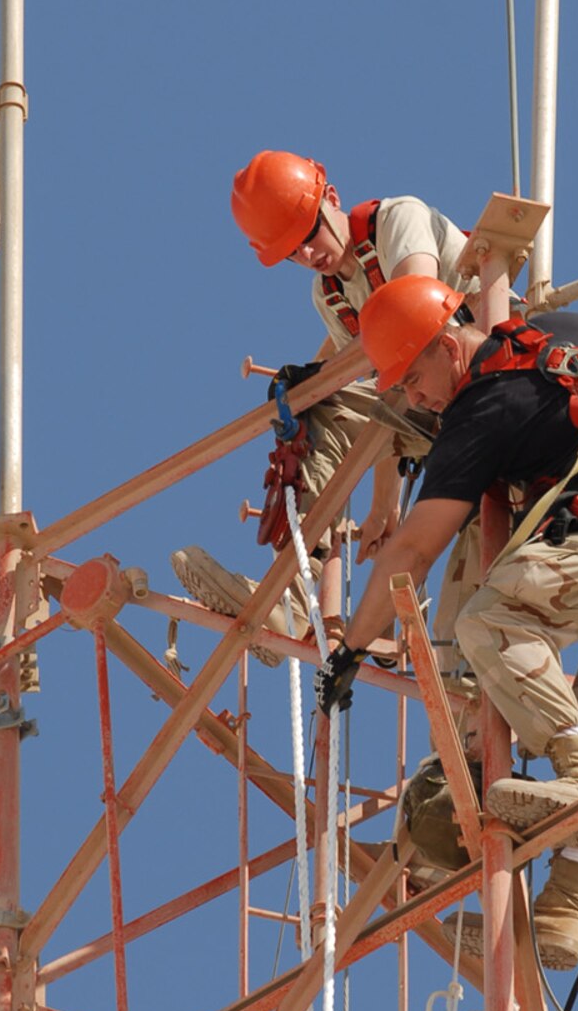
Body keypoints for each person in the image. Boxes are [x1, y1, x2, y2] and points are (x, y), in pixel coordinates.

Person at [314, 276, 578, 969]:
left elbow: (412, 551)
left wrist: (349, 653)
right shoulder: (575, 329)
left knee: (491, 621)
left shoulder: (482, 406)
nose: (415, 398)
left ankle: (571, 773)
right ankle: (560, 916)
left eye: (415, 377)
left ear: (449, 346)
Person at [172, 152, 481, 655]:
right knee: (313, 408)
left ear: (331, 199)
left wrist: (322, 381)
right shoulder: (331, 293)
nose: (308, 256)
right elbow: (388, 393)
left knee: (320, 398)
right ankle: (293, 595)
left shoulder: (395, 220)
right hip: (439, 406)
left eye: (309, 235)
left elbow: (414, 316)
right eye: (291, 252)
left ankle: (294, 597)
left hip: (483, 375)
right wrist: (384, 508)